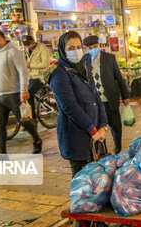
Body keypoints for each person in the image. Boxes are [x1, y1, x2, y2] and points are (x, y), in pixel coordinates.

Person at [48, 31, 108, 177]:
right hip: (76, 137)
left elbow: (97, 98)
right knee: (82, 184)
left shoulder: (84, 69)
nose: (76, 51)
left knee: (97, 183)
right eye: (70, 48)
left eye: (78, 47)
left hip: (95, 134)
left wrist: (102, 125)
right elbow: (70, 106)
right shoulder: (59, 73)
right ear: (62, 50)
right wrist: (92, 130)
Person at [0, 29, 42, 154]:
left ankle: (37, 139)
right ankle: (1, 154)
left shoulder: (14, 52)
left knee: (25, 122)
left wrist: (24, 90)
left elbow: (23, 71)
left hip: (14, 95)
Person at [83, 35, 129, 154]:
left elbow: (119, 78)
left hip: (110, 98)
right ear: (87, 49)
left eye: (95, 46)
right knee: (98, 126)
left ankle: (117, 146)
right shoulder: (84, 60)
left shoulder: (109, 58)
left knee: (115, 125)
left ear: (99, 46)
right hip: (95, 101)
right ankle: (102, 150)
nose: (94, 49)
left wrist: (125, 96)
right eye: (91, 48)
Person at [23, 35, 50, 121]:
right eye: (25, 45)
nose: (26, 46)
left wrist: (30, 65)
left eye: (28, 44)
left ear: (33, 42)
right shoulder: (27, 49)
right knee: (25, 94)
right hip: (31, 76)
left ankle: (33, 120)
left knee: (29, 95)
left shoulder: (43, 49)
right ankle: (30, 117)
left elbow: (45, 64)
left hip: (41, 77)